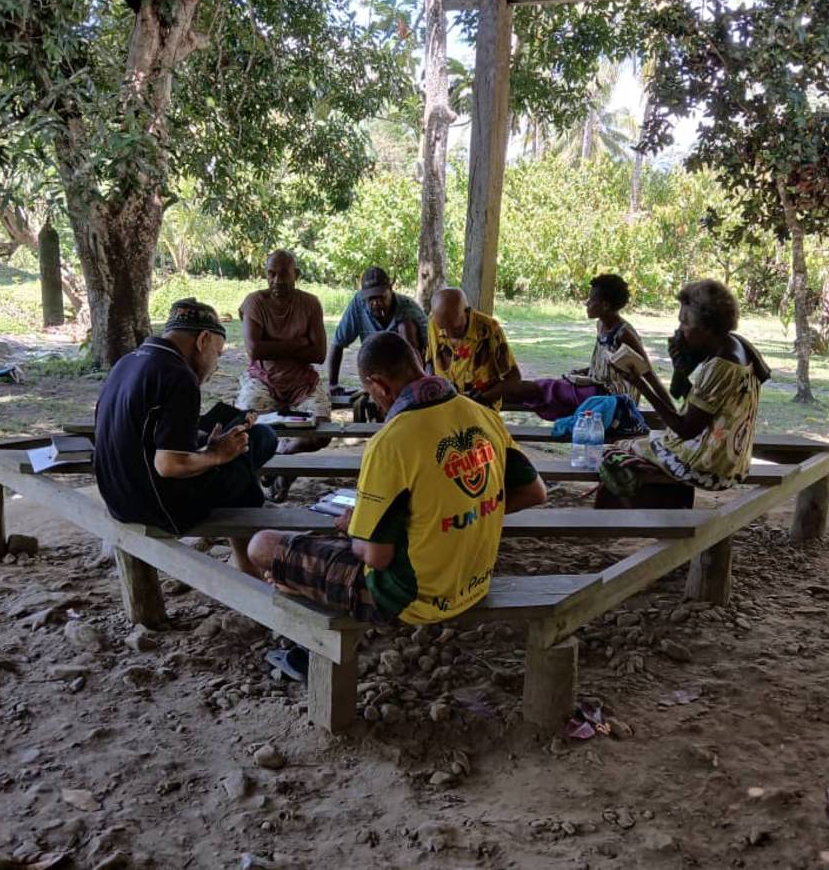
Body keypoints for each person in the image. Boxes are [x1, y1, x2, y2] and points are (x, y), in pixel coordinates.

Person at [247, 331, 547, 625]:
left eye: (370, 394)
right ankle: (299, 583)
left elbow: (375, 556)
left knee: (262, 545)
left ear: (379, 385)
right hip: (475, 582)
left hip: (412, 599)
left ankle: (301, 587)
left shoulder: (390, 443)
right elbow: (534, 492)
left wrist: (355, 528)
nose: (375, 402)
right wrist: (461, 516)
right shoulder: (482, 414)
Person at [93, 297, 278, 574]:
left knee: (239, 446)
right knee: (258, 442)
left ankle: (247, 551)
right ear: (203, 340)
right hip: (159, 508)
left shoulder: (127, 362)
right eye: (217, 354)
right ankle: (250, 563)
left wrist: (207, 445)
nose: (215, 366)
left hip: (118, 498)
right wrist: (216, 455)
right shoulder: (178, 375)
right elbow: (169, 465)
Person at [598, 279, 770, 495]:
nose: (679, 329)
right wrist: (680, 369)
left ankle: (641, 510)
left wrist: (640, 384)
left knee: (613, 450)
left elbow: (685, 430)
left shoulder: (721, 365)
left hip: (707, 467)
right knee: (646, 440)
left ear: (706, 327)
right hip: (732, 462)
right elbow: (701, 408)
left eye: (685, 323)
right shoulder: (736, 345)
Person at [503, 273, 673, 420]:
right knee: (546, 389)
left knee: (543, 389)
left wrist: (673, 414)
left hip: (612, 400)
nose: (587, 303)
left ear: (605, 305)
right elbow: (605, 366)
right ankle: (502, 396)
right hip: (596, 389)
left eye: (592, 299)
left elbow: (649, 375)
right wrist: (586, 371)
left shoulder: (624, 334)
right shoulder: (601, 325)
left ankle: (499, 394)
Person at [237, 249, 331, 440]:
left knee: (322, 432)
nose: (277, 280)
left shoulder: (310, 303)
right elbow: (254, 351)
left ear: (296, 275)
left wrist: (271, 347)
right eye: (271, 274)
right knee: (246, 427)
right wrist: (299, 342)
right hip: (262, 379)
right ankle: (272, 450)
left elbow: (319, 354)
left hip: (302, 382)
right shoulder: (255, 302)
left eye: (284, 274)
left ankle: (285, 449)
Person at [328, 266, 428, 391]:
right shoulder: (358, 304)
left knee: (406, 327)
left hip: (404, 367)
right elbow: (338, 343)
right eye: (371, 298)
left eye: (381, 297)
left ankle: (412, 385)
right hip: (376, 370)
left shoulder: (409, 309)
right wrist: (333, 384)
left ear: (390, 290)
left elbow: (430, 350)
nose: (375, 303)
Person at [424, 287, 519, 411]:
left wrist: (482, 398)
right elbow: (430, 361)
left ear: (467, 312)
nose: (449, 334)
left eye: (456, 328)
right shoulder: (433, 324)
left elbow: (513, 378)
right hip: (444, 406)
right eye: (443, 328)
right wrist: (431, 386)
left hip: (481, 408)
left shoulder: (490, 330)